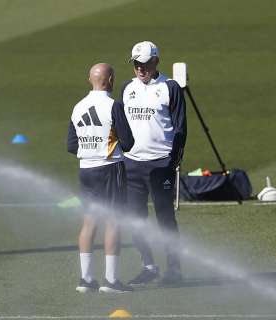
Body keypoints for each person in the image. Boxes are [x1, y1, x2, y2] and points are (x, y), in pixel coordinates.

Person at [119, 41, 187, 285]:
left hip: (161, 164)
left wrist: (173, 160)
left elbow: (180, 127)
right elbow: (121, 126)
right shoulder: (127, 88)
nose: (140, 68)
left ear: (156, 61)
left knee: (165, 217)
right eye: (136, 64)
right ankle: (148, 265)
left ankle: (174, 269)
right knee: (134, 218)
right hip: (132, 164)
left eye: (145, 64)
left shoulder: (170, 87)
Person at [67, 63, 135, 293]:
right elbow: (128, 143)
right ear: (111, 80)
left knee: (89, 222)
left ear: (90, 79)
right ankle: (111, 280)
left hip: (86, 169)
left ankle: (85, 280)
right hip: (110, 169)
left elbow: (70, 145)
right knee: (113, 221)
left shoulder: (77, 107)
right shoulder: (114, 106)